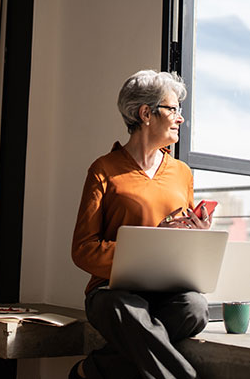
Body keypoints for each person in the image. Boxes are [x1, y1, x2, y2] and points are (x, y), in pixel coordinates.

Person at [70, 70, 212, 379]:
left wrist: (197, 236)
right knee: (123, 306)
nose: (181, 119)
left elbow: (181, 236)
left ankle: (92, 370)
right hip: (112, 292)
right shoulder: (103, 170)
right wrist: (149, 243)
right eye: (173, 109)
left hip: (167, 292)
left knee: (195, 308)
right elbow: (83, 249)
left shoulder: (182, 172)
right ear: (146, 113)